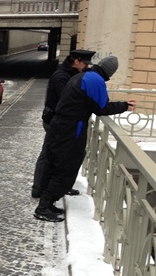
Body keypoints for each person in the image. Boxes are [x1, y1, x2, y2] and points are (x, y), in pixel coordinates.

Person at [34, 56, 136, 222]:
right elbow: (102, 108)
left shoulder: (81, 76)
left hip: (60, 125)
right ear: (110, 72)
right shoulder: (95, 80)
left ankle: (47, 202)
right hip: (71, 129)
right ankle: (43, 207)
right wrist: (124, 106)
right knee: (67, 167)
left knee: (54, 164)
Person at [31, 49, 96, 199]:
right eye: (85, 63)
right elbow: (68, 100)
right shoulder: (61, 77)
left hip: (59, 121)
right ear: (76, 61)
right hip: (54, 121)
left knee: (60, 155)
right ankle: (39, 188)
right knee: (48, 154)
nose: (87, 67)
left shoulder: (70, 74)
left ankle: (58, 186)